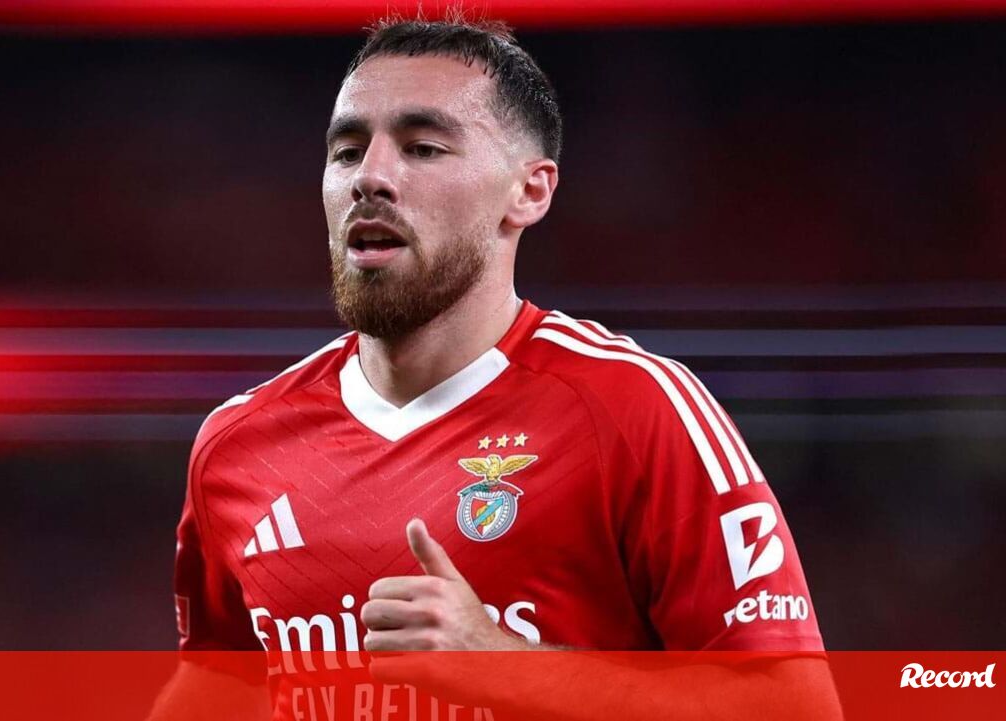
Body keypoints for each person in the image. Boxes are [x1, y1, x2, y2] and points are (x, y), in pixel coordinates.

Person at [150, 14, 841, 721]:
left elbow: (795, 708)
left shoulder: (636, 410)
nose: (370, 178)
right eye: (347, 151)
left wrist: (504, 664)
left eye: (422, 147)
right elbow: (219, 685)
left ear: (529, 192)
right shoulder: (238, 445)